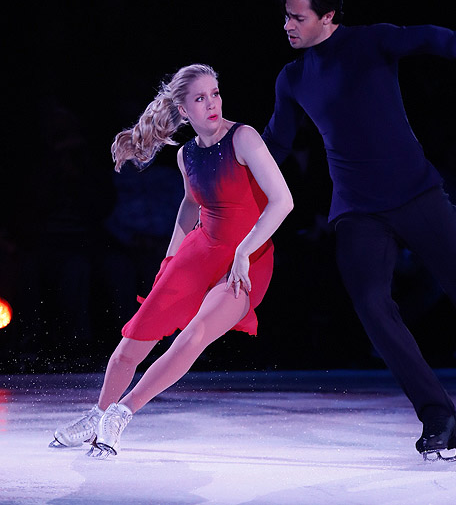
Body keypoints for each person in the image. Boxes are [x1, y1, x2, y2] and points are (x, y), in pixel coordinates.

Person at [261, 0, 456, 461]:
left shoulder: (370, 42)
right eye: (285, 16)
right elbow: (276, 143)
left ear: (328, 17)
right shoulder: (292, 78)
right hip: (357, 209)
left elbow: (424, 38)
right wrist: (230, 158)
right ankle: (438, 415)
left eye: (298, 17)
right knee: (373, 305)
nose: (287, 25)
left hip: (418, 194)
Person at [49, 64, 293, 457]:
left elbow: (283, 201)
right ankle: (97, 414)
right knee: (131, 342)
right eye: (200, 98)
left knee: (193, 334)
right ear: (183, 110)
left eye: (215, 93)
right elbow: (190, 203)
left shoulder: (244, 138)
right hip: (200, 251)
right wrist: (171, 257)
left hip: (249, 256)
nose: (212, 103)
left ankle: (122, 413)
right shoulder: (186, 156)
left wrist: (244, 252)